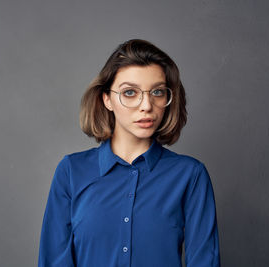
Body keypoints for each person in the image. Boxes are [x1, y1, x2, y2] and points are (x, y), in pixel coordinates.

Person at [38, 39, 221, 267]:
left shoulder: (190, 176)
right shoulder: (71, 172)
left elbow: (204, 261)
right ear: (107, 99)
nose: (146, 105)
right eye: (130, 92)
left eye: (157, 91)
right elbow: (54, 261)